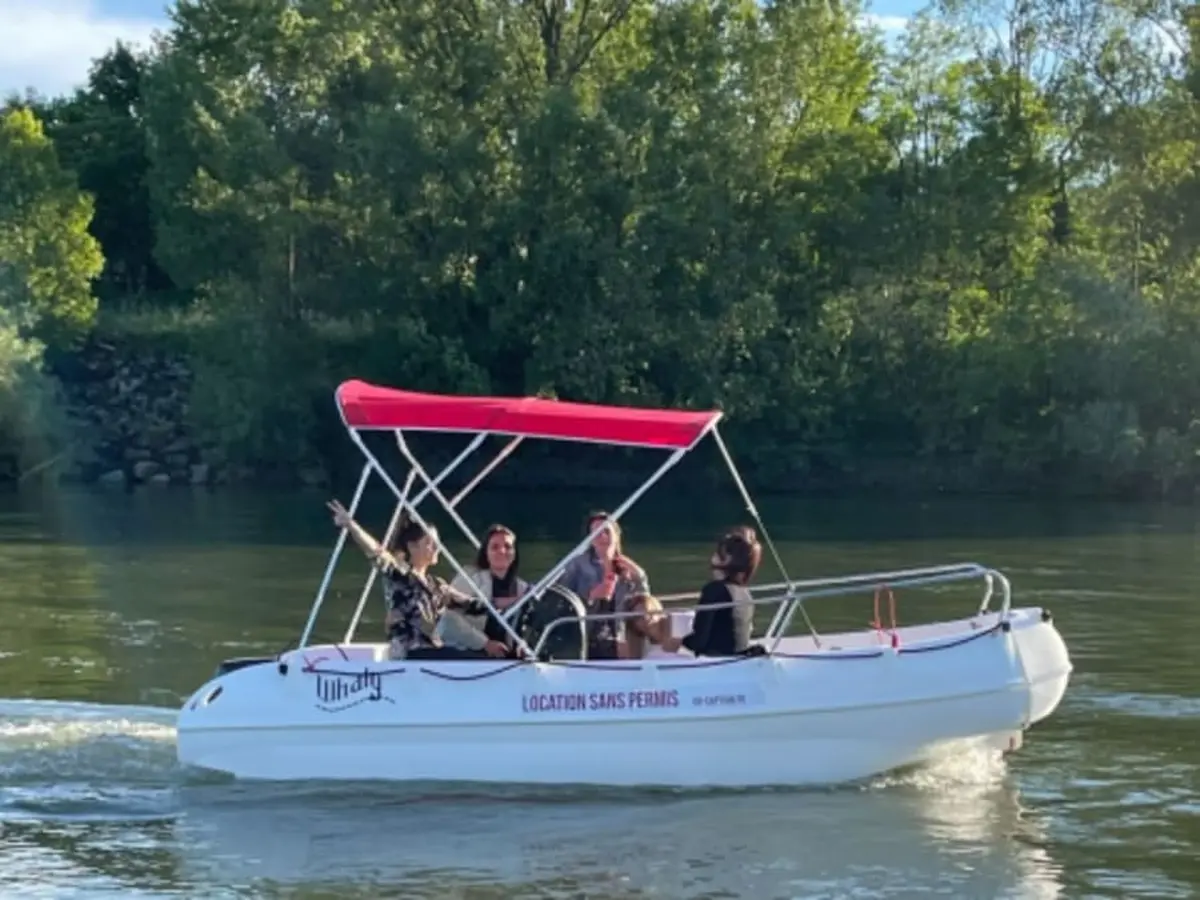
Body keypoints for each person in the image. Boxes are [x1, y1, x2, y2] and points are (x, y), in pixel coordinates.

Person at [326, 499, 509, 660]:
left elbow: (473, 605)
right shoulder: (401, 574)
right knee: (464, 660)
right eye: (430, 543)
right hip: (411, 653)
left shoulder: (436, 585)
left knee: (475, 657)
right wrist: (351, 525)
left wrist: (513, 602)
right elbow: (377, 553)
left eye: (437, 543)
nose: (436, 548)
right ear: (412, 547)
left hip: (431, 651)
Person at [557, 510, 650, 660]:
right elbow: (560, 603)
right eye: (597, 532)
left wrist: (640, 577)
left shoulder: (629, 568)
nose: (603, 537)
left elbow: (645, 606)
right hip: (586, 635)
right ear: (590, 539)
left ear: (617, 535)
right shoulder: (576, 565)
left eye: (607, 531)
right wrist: (590, 596)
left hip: (620, 638)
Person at [661, 526, 763, 657]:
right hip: (736, 659)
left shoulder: (714, 590)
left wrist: (679, 642)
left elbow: (700, 641)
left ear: (726, 559)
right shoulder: (746, 594)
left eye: (717, 553)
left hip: (714, 661)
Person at [449, 524, 529, 652]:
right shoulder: (469, 578)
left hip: (509, 659)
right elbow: (448, 619)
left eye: (508, 547)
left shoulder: (524, 589)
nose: (502, 551)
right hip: (468, 654)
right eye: (495, 547)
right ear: (486, 552)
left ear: (515, 554)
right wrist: (485, 644)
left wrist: (524, 645)